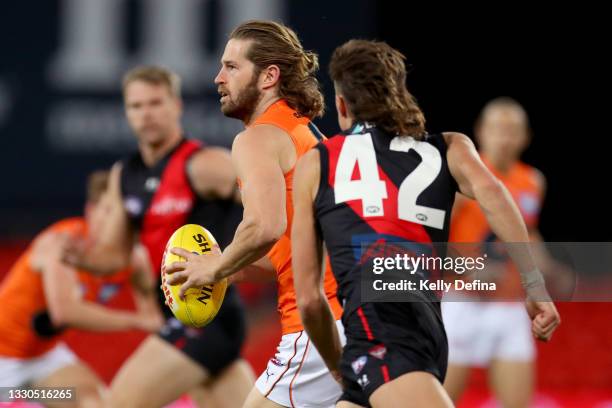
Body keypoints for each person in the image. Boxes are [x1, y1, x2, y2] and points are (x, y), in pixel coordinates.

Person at [290, 39, 561, 408]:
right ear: (400, 93)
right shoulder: (450, 147)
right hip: (406, 327)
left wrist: (340, 366)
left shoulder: (316, 163)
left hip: (376, 329)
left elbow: (308, 299)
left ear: (341, 104)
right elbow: (498, 200)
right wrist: (534, 284)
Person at [165, 20, 345, 408]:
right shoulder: (311, 135)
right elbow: (290, 248)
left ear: (269, 76)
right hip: (353, 315)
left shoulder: (256, 139)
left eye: (231, 67)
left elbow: (265, 225)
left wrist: (212, 269)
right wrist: (227, 267)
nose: (218, 78)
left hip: (316, 325)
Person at [63, 66, 254, 408]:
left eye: (155, 103)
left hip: (210, 316)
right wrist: (84, 258)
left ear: (176, 106)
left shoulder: (205, 164)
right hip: (178, 315)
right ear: (126, 111)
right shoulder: (124, 175)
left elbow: (270, 206)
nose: (146, 114)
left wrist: (239, 256)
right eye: (136, 106)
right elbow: (115, 256)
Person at [442, 97, 566, 407]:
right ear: (481, 132)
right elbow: (436, 240)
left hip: (509, 306)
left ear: (525, 137)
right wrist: (468, 270)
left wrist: (549, 268)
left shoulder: (533, 181)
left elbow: (528, 232)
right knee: (440, 401)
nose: (505, 138)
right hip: (462, 303)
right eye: (498, 129)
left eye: (512, 131)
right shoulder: (462, 177)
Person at [0, 170, 162, 407]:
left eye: (122, 215)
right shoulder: (65, 242)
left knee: (94, 403)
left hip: (44, 362)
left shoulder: (134, 259)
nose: (115, 223)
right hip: (3, 359)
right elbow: (64, 312)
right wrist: (138, 320)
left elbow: (154, 320)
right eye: (107, 211)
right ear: (90, 211)